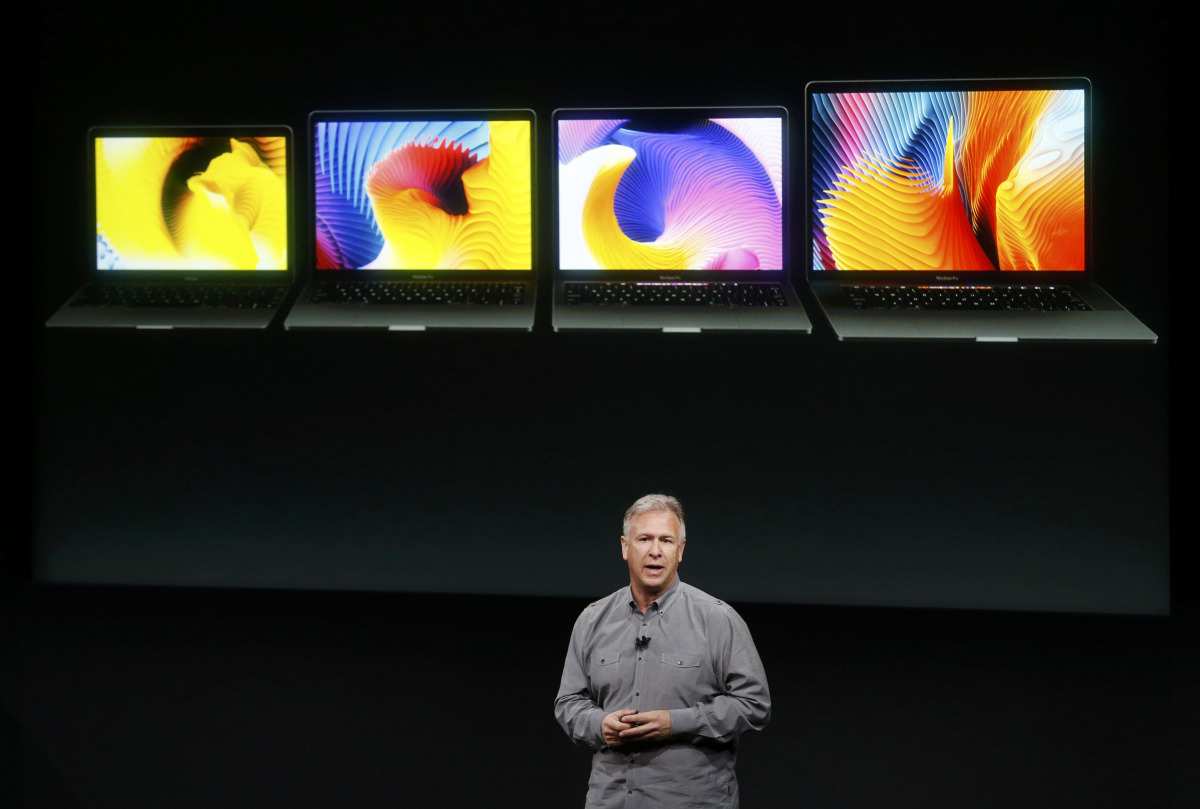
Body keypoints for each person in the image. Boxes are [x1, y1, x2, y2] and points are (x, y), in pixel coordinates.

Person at [554, 494, 771, 808]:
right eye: (644, 539)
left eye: (666, 540)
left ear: (680, 550)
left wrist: (678, 722)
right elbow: (569, 702)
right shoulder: (592, 620)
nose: (655, 551)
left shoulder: (717, 619)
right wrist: (600, 725)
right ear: (625, 547)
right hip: (611, 799)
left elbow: (754, 705)